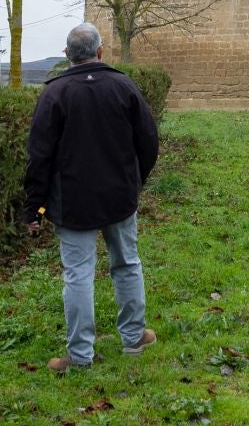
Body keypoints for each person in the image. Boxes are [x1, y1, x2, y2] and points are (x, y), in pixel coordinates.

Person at [24, 23, 160, 372]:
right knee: (127, 263)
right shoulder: (123, 86)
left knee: (79, 275)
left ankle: (80, 356)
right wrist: (135, 181)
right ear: (100, 52)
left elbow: (38, 156)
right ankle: (133, 337)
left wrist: (34, 208)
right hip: (118, 196)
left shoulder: (54, 94)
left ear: (67, 54)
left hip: (73, 202)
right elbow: (148, 140)